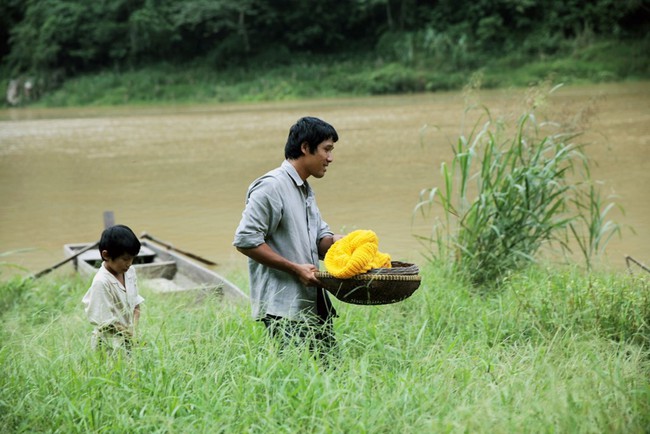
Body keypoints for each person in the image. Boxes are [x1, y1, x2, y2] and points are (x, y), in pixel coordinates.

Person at [233, 116, 343, 356]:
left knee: (331, 372)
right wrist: (296, 269)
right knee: (298, 378)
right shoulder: (271, 187)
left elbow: (319, 241)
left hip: (313, 302)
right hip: (284, 308)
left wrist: (341, 243)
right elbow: (246, 240)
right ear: (305, 148)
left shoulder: (304, 188)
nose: (330, 158)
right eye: (326, 149)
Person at [82, 224, 144, 354]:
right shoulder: (101, 282)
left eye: (132, 258)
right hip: (108, 345)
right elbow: (106, 323)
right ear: (106, 255)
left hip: (128, 341)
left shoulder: (130, 272)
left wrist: (135, 332)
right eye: (125, 259)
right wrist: (130, 335)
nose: (129, 263)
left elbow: (136, 307)